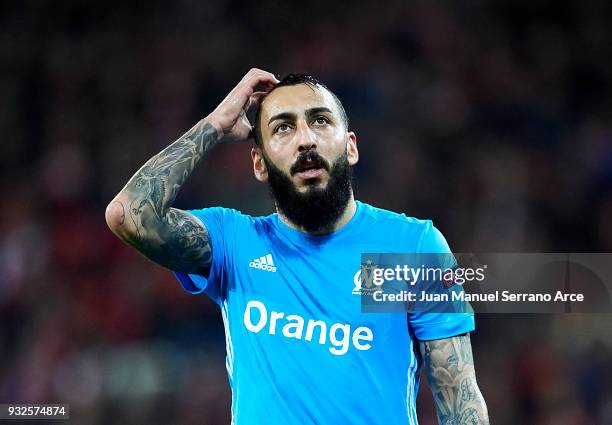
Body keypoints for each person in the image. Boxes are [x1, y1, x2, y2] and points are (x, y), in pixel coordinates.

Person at [105, 68, 489, 425]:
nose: (306, 138)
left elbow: (459, 399)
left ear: (351, 147)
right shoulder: (235, 244)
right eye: (283, 128)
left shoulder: (407, 248)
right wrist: (215, 124)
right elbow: (129, 215)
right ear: (258, 163)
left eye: (320, 120)